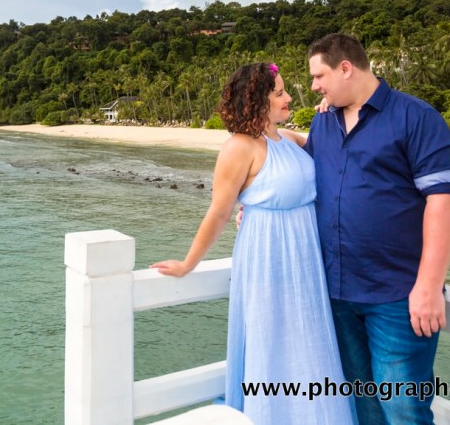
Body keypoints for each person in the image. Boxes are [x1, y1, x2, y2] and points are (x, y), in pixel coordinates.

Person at [152, 63, 356, 424]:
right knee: (272, 341)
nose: (289, 97)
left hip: (305, 258)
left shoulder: (289, 139)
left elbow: (336, 155)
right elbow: (217, 212)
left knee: (308, 339)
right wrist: (188, 264)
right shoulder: (238, 148)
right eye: (279, 93)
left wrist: (333, 111)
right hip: (267, 257)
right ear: (257, 101)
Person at [306, 33, 450, 425]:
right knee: (363, 404)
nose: (314, 86)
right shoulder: (322, 121)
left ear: (345, 68)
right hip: (338, 292)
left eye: (318, 76)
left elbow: (443, 201)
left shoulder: (416, 117)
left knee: (403, 409)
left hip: (398, 295)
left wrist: (429, 286)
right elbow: (303, 174)